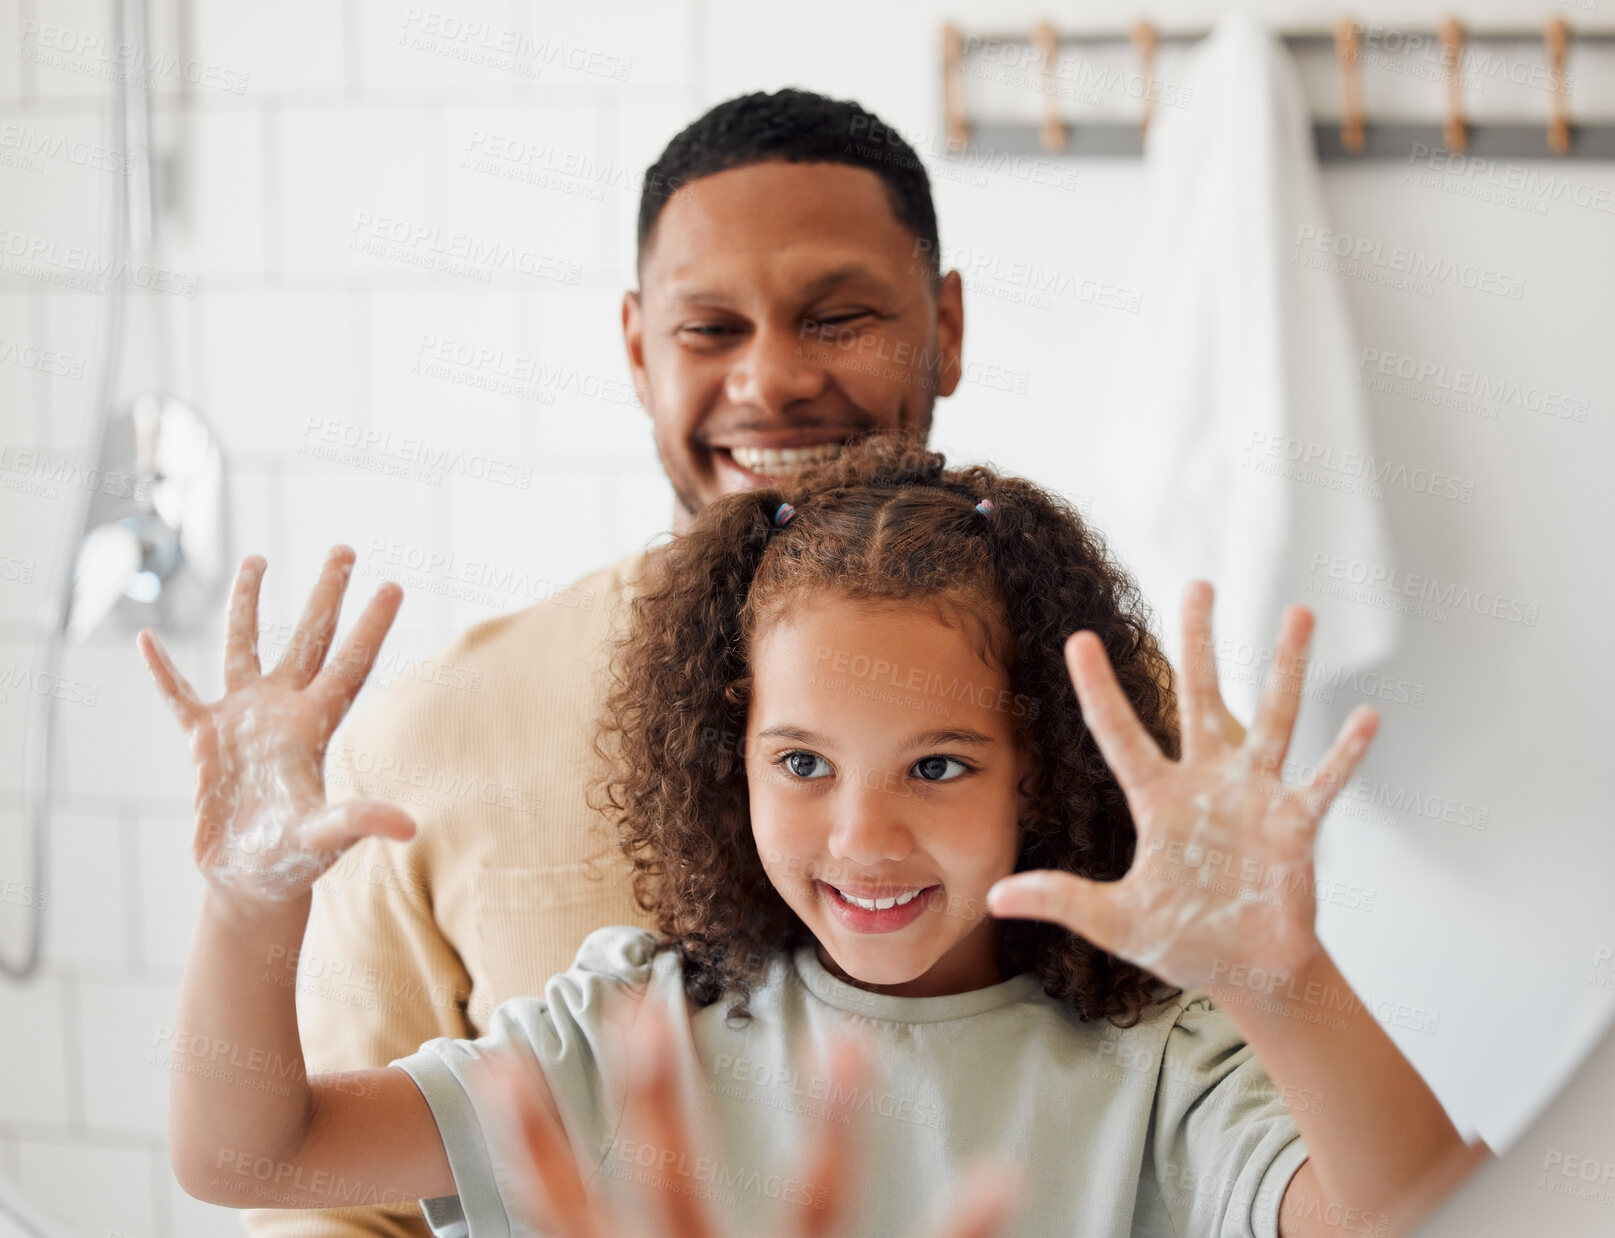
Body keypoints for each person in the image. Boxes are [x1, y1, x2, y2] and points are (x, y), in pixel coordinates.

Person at [242, 87, 1240, 1238]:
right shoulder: (426, 737)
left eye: (837, 317)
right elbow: (336, 1205)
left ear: (946, 328)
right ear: (636, 348)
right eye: (709, 329)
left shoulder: (1107, 703)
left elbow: (1233, 1099)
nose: (769, 381)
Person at [146, 435, 1486, 1237]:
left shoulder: (1158, 1064)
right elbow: (250, 1153)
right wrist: (250, 904)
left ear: (1043, 771)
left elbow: (1432, 1214)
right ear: (724, 754)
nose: (861, 834)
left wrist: (1276, 979)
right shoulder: (635, 1027)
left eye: (938, 763)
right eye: (799, 762)